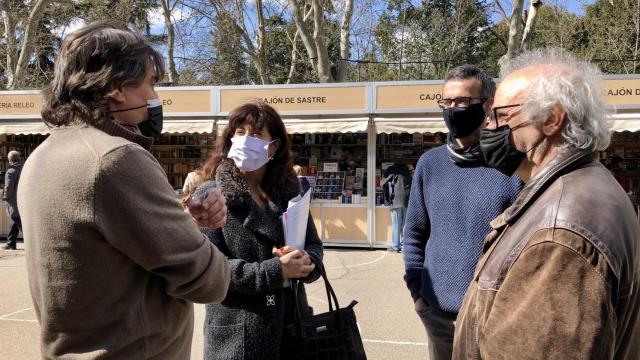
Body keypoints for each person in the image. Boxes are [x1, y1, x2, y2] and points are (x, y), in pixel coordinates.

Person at [17, 21, 231, 359]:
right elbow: (208, 281)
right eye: (149, 83)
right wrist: (199, 240)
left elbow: (104, 257)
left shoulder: (41, 156)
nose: (154, 98)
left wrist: (183, 220)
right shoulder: (116, 158)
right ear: (117, 87)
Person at [454, 49, 640, 359]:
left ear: (552, 119)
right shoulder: (585, 186)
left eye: (500, 115)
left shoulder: (559, 235)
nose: (488, 127)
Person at [403, 65, 523, 360]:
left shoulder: (513, 166)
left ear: (488, 105)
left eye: (463, 102)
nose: (453, 109)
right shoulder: (429, 164)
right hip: (437, 315)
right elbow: (415, 233)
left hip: (494, 317)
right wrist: (417, 293)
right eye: (447, 102)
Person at [199, 102, 324, 360]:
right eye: (240, 132)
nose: (245, 140)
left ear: (274, 147)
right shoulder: (211, 195)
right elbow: (211, 268)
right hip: (238, 337)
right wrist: (276, 271)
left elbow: (314, 246)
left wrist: (305, 262)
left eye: (256, 134)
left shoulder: (291, 193)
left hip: (292, 328)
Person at [380, 161, 411, 252]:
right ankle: (404, 246)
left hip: (396, 199)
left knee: (396, 223)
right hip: (407, 199)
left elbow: (382, 182)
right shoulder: (406, 171)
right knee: (405, 224)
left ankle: (395, 246)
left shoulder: (391, 170)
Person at [2, 150, 23, 250]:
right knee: (14, 221)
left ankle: (32, 242)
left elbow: (9, 188)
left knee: (17, 220)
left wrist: (5, 197)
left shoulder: (11, 171)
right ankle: (11, 243)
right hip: (24, 199)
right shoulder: (25, 168)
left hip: (14, 200)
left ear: (9, 160)